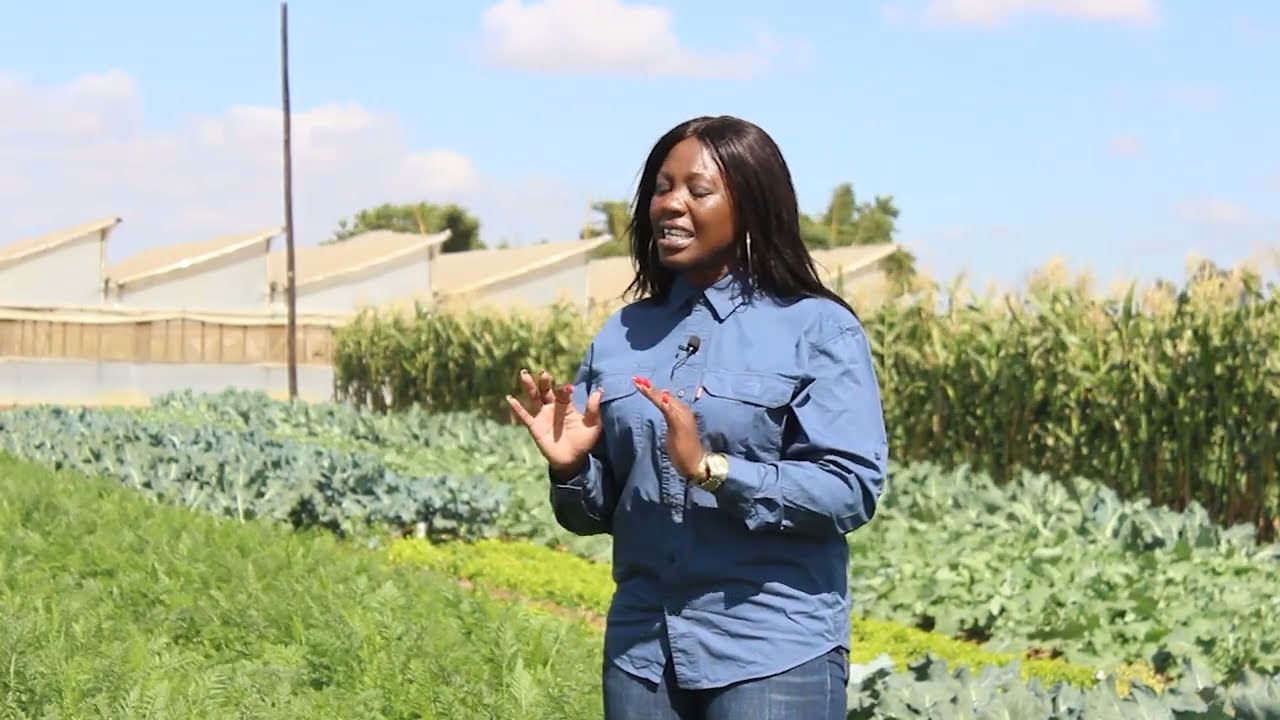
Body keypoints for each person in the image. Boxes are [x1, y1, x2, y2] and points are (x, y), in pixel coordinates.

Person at [506, 115, 889, 720]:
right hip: (643, 654)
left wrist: (712, 470)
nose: (671, 205)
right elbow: (592, 513)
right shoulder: (624, 333)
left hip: (771, 652)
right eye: (662, 188)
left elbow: (850, 489)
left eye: (697, 190)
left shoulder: (816, 327)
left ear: (753, 206)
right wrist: (572, 468)